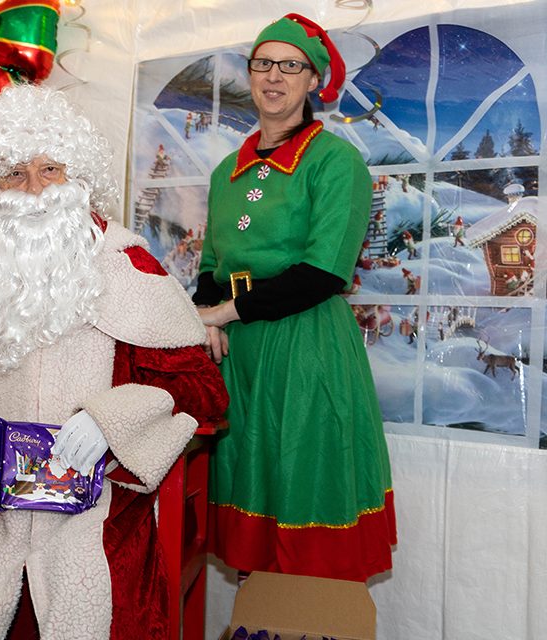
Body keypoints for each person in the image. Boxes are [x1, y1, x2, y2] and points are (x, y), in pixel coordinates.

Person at [0, 83, 229, 640]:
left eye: (50, 170)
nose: (33, 190)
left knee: (95, 597)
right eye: (14, 173)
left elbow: (200, 389)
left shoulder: (131, 269)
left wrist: (113, 420)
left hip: (100, 514)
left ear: (79, 179)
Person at [192, 13, 396, 582]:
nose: (274, 76)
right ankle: (264, 615)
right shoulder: (225, 172)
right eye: (263, 63)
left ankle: (309, 614)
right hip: (241, 356)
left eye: (291, 65)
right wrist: (206, 319)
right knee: (253, 487)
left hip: (305, 348)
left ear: (315, 81)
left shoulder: (336, 162)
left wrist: (221, 312)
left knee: (304, 480)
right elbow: (211, 267)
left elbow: (322, 273)